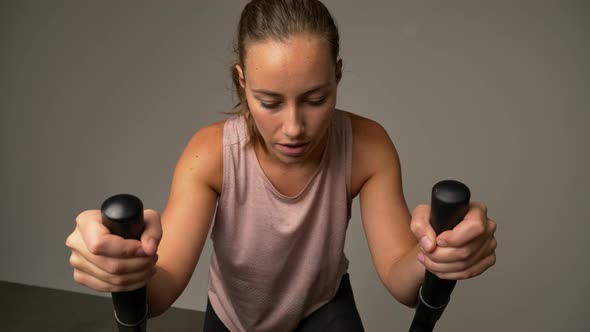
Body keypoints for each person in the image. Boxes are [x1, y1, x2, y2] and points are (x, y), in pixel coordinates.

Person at [65, 0, 497, 331]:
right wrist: (125, 268)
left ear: (338, 76)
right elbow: (158, 295)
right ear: (242, 82)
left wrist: (438, 252)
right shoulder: (211, 155)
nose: (294, 128)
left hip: (324, 310)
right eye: (269, 102)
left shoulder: (368, 146)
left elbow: (403, 284)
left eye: (316, 99)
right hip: (233, 321)